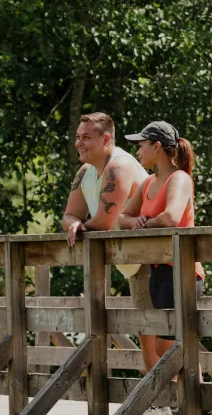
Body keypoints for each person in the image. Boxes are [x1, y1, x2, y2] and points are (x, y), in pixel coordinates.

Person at [118, 120, 209, 415]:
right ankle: (190, 408)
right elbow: (121, 218)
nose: (138, 150)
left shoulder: (179, 179)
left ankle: (198, 408)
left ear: (157, 147)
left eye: (141, 144)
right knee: (167, 347)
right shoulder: (147, 183)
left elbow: (172, 216)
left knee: (172, 347)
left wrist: (144, 221)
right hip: (158, 273)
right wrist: (138, 221)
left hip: (182, 273)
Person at [60, 111, 151, 304]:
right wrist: (74, 224)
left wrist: (80, 227)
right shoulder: (85, 172)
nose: (78, 143)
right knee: (146, 330)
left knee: (156, 331)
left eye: (86, 137)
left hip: (152, 259)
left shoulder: (119, 166)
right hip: (131, 259)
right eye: (78, 137)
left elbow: (103, 223)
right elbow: (69, 215)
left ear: (106, 139)